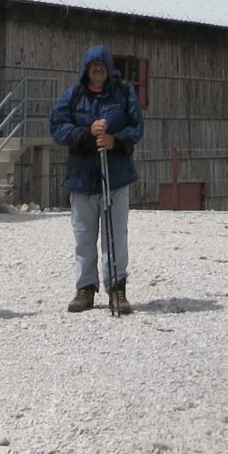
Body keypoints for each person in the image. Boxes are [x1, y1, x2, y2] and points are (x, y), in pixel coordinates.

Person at [49, 45, 143, 314]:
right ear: (86, 69)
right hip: (82, 177)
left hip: (116, 176)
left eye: (102, 65)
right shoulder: (73, 96)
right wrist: (87, 133)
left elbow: (136, 127)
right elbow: (57, 127)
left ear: (109, 68)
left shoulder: (124, 93)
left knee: (116, 236)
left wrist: (116, 140)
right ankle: (85, 288)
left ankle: (117, 288)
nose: (98, 69)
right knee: (83, 236)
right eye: (93, 65)